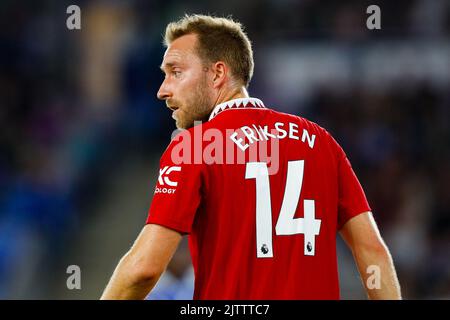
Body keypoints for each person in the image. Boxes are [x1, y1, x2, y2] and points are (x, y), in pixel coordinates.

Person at [101, 14, 401, 300]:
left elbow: (143, 270)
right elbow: (372, 251)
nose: (162, 90)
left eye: (176, 73)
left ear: (218, 73)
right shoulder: (320, 141)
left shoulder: (195, 146)